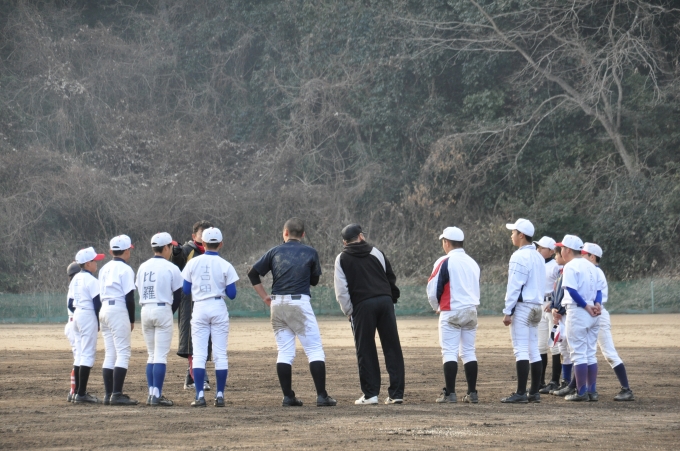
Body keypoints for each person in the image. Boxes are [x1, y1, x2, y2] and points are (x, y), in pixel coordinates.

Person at [249, 218, 336, 407]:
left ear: (285, 233)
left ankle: (288, 397)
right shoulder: (310, 252)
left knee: (284, 351)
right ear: (303, 234)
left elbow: (252, 273)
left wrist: (265, 297)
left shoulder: (274, 251)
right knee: (314, 350)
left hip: (277, 304)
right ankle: (322, 396)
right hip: (299, 303)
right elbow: (314, 281)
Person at [333, 223, 405, 405]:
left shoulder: (341, 258)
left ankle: (371, 394)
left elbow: (341, 291)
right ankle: (396, 394)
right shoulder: (376, 252)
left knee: (365, 349)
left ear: (344, 242)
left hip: (362, 305)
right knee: (392, 347)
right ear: (361, 236)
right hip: (384, 301)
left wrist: (349, 311)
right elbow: (390, 277)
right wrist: (391, 299)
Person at [182, 227, 239, 407]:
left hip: (199, 306)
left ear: (203, 243)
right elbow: (232, 294)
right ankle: (219, 395)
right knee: (220, 353)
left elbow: (185, 290)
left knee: (199, 354)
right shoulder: (225, 265)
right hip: (218, 306)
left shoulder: (193, 263)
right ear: (221, 244)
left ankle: (199, 396)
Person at [426, 227, 480, 404]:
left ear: (446, 242)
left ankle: (450, 393)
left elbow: (433, 288)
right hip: (471, 310)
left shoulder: (444, 261)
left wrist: (436, 306)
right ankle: (472, 393)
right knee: (469, 351)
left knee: (449, 351)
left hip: (451, 310)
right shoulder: (472, 262)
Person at [582, 242, 634, 401]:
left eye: (583, 254)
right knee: (583, 352)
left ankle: (626, 389)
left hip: (598, 314)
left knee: (609, 353)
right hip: (589, 313)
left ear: (592, 257)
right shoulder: (589, 271)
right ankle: (584, 388)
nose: (580, 256)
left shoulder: (596, 272)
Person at [136, 232, 184, 407]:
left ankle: (151, 393)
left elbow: (138, 289)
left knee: (151, 354)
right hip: (162, 308)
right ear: (166, 247)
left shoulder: (143, 266)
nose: (171, 249)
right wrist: (169, 312)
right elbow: (178, 295)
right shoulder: (171, 267)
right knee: (160, 355)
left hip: (145, 309)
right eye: (170, 246)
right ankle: (157, 395)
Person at [501, 218, 545, 403]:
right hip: (537, 306)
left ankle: (520, 392)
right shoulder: (538, 256)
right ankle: (534, 392)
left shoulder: (519, 256)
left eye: (513, 232)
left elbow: (514, 285)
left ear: (521, 235)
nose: (511, 235)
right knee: (533, 349)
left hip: (523, 306)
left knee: (520, 350)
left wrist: (508, 310)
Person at [556, 235, 602, 402]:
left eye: (562, 248)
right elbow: (599, 291)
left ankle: (581, 392)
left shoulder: (570, 266)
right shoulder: (590, 265)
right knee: (590, 353)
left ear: (568, 250)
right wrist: (597, 304)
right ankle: (592, 391)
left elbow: (571, 290)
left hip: (578, 311)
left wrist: (585, 306)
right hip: (594, 313)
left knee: (578, 354)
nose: (560, 250)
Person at [171, 220, 213, 391]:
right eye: (203, 234)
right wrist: (176, 254)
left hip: (206, 300)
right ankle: (198, 377)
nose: (206, 237)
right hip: (189, 301)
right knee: (191, 341)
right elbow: (177, 265)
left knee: (204, 340)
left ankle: (191, 377)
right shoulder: (188, 250)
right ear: (194, 236)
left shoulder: (211, 252)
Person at [99, 234, 138, 406]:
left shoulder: (104, 268)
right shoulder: (126, 269)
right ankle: (116, 394)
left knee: (110, 353)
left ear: (111, 251)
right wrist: (132, 319)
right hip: (118, 309)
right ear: (127, 250)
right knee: (123, 353)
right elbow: (129, 297)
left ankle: (108, 394)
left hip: (104, 309)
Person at [69, 247, 105, 404]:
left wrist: (79, 313)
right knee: (88, 354)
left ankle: (76, 392)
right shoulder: (92, 280)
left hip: (77, 315)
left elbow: (70, 303)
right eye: (94, 260)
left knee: (80, 354)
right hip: (88, 315)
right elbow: (97, 304)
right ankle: (82, 393)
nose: (96, 263)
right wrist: (97, 321)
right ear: (88, 263)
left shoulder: (75, 278)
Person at [534, 236, 562, 394]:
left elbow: (560, 286)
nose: (538, 250)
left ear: (551, 251)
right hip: (540, 306)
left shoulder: (556, 265)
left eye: (542, 248)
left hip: (552, 307)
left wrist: (555, 302)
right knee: (540, 345)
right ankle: (540, 381)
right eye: (538, 247)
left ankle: (554, 381)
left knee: (554, 344)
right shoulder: (536, 264)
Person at [550, 246, 575, 396]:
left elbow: (569, 296)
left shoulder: (571, 271)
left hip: (567, 314)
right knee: (562, 348)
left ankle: (576, 383)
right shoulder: (561, 272)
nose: (555, 257)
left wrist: (560, 310)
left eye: (557, 254)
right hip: (560, 315)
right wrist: (553, 307)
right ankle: (566, 381)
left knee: (572, 348)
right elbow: (556, 294)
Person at [65, 261, 81, 402]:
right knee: (79, 359)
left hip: (72, 323)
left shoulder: (74, 286)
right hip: (74, 323)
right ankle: (73, 391)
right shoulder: (75, 286)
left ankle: (75, 390)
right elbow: (72, 305)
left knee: (79, 358)